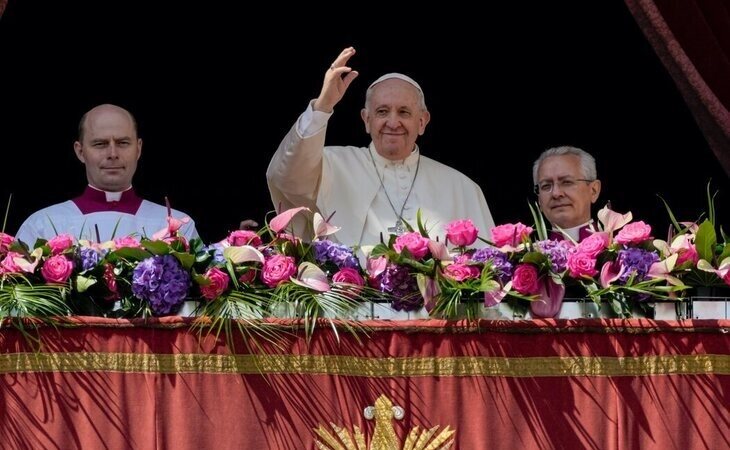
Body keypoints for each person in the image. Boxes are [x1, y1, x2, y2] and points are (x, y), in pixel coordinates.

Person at [266, 47, 495, 247]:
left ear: (422, 121)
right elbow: (285, 177)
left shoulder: (462, 188)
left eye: (404, 112)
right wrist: (323, 106)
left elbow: (488, 270)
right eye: (382, 112)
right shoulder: (331, 165)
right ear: (366, 120)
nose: (393, 123)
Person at [15, 104, 198, 246]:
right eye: (100, 144)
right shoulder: (42, 224)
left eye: (123, 143)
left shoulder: (179, 226)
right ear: (80, 152)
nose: (112, 153)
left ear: (139, 149)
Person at [532, 146, 602, 242]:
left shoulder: (623, 253)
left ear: (594, 190)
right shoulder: (521, 256)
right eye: (546, 186)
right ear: (539, 199)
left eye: (567, 182)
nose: (556, 193)